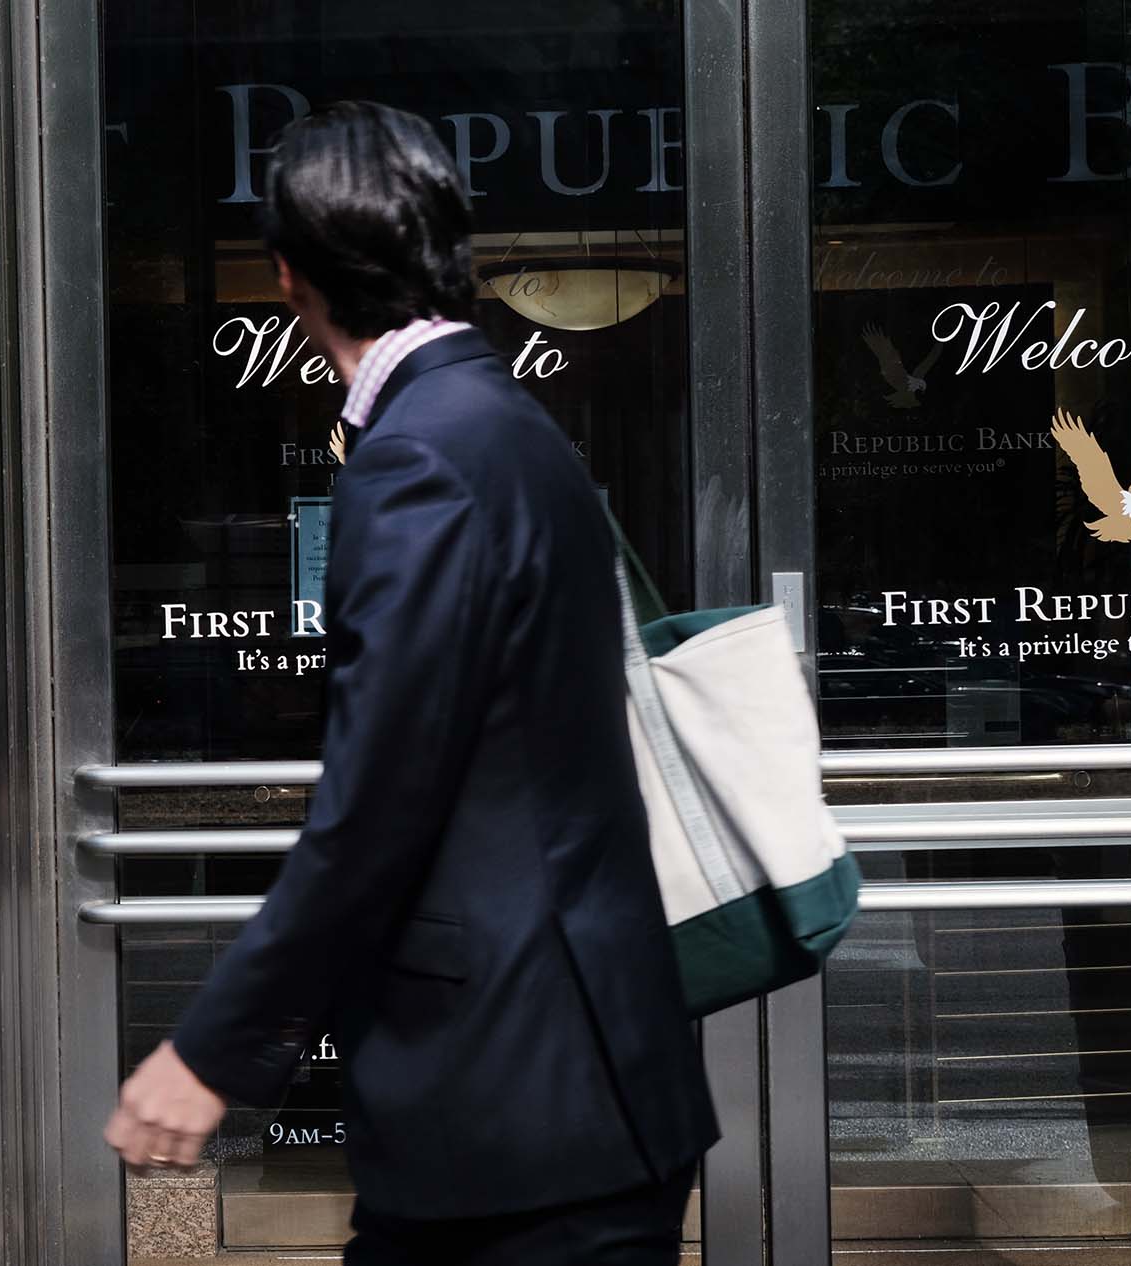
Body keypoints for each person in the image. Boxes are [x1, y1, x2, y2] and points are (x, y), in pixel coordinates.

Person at [104, 101, 718, 1265]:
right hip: (577, 1092)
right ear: (449, 245)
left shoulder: (417, 459)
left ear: (287, 276)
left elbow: (376, 808)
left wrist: (207, 1051)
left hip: (515, 1111)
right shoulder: (510, 426)